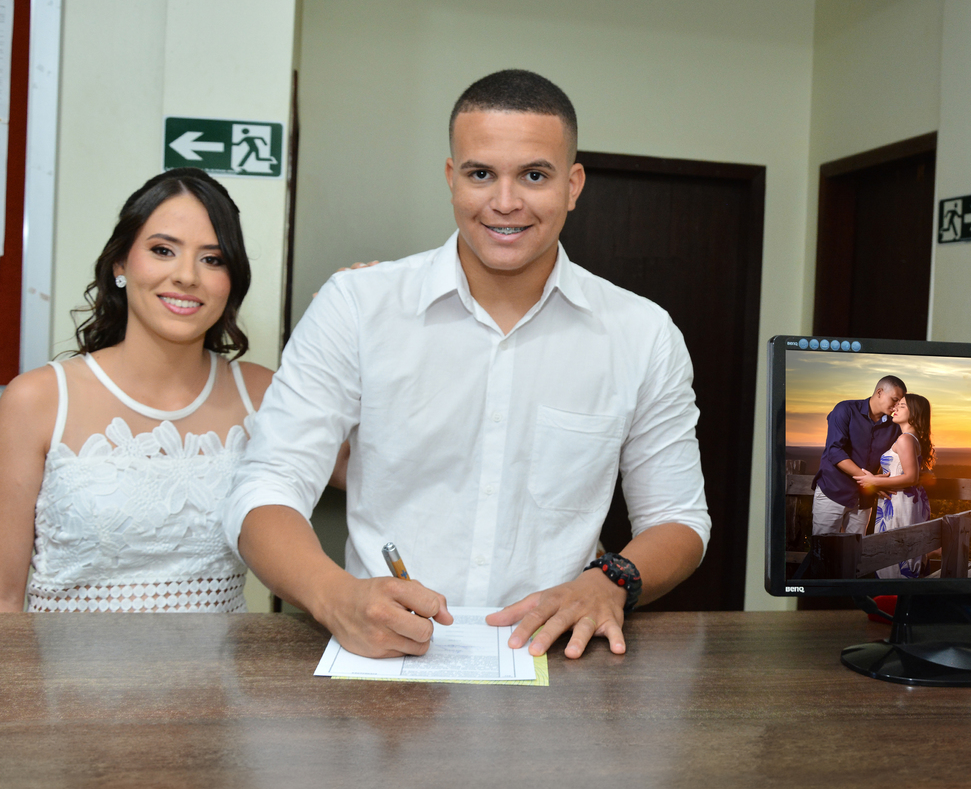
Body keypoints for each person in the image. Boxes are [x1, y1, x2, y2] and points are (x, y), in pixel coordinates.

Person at [225, 69, 711, 660]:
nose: (505, 202)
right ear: (452, 178)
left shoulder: (642, 334)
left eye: (534, 175)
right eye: (482, 174)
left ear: (574, 184)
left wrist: (609, 582)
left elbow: (679, 520)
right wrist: (336, 598)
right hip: (383, 662)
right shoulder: (357, 306)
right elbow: (267, 485)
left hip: (557, 661)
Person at [0, 169, 276, 612]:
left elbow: (364, 468)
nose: (187, 276)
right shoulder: (37, 400)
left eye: (213, 259)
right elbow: (4, 599)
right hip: (64, 678)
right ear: (121, 264)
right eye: (163, 250)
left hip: (216, 678)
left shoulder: (264, 395)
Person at [810, 375, 906, 537]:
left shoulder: (894, 426)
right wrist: (871, 481)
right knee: (823, 552)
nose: (897, 406)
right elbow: (835, 451)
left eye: (900, 403)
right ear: (880, 392)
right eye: (895, 400)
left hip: (864, 500)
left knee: (854, 555)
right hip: (833, 492)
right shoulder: (845, 410)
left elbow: (899, 455)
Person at [856, 393, 934, 579]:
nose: (895, 409)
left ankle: (896, 603)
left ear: (915, 413)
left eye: (902, 406)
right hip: (904, 502)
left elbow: (911, 477)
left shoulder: (905, 439)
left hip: (900, 503)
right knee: (905, 555)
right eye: (896, 404)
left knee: (897, 560)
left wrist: (874, 481)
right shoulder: (910, 438)